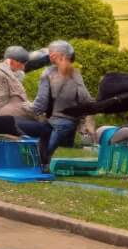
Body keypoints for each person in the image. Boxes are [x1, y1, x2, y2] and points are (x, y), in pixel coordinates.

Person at [30, 40, 93, 172]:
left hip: (53, 120)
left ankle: (39, 168)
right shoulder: (75, 73)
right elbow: (85, 98)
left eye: (51, 52)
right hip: (68, 122)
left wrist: (30, 111)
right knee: (46, 149)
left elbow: (41, 101)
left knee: (43, 149)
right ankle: (43, 167)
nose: (49, 54)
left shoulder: (48, 73)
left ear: (59, 55)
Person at [0, 46, 34, 117]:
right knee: (33, 111)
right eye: (21, 64)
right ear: (11, 61)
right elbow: (21, 95)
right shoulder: (4, 73)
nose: (23, 67)